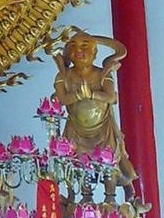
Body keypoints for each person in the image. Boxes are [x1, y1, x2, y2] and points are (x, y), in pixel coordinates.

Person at [54, 32, 137, 193]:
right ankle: (85, 195)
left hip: (103, 128)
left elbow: (110, 96)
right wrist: (78, 95)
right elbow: (62, 100)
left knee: (109, 160)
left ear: (94, 53)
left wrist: (92, 94)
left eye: (84, 46)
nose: (78, 50)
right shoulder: (63, 76)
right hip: (76, 128)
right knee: (78, 162)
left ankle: (111, 196)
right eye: (73, 47)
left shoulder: (102, 74)